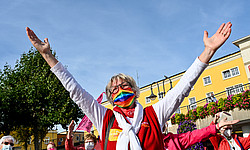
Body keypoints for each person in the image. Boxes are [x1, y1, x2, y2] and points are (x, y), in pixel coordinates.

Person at [26, 22, 232, 150]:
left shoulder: (154, 114)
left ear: (134, 91)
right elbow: (76, 92)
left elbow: (183, 88)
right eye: (114, 89)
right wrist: (47, 56)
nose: (119, 90)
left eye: (124, 85)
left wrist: (208, 52)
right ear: (109, 97)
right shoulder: (104, 118)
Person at [163, 118, 239, 150]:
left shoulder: (171, 141)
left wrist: (216, 126)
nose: (228, 131)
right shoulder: (219, 139)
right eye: (226, 129)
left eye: (230, 128)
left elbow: (195, 135)